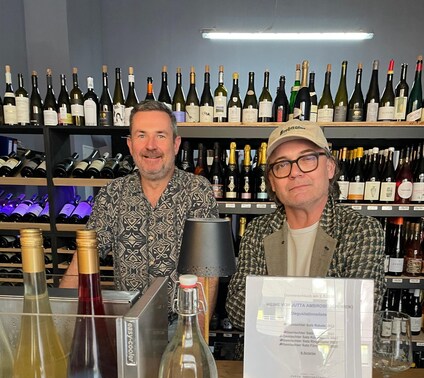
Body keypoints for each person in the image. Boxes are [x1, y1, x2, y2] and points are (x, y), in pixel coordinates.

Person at [61, 100, 219, 329]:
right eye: (142, 135)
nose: (151, 146)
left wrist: (194, 335)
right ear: (130, 144)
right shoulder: (112, 193)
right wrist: (60, 323)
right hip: (127, 323)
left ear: (175, 144)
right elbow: (85, 255)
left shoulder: (197, 190)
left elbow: (208, 271)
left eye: (160, 136)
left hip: (182, 324)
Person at [226, 119, 386, 330]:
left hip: (329, 353)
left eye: (308, 159)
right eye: (282, 164)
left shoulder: (361, 230)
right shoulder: (257, 230)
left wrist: (273, 302)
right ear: (272, 181)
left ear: (329, 167)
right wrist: (320, 303)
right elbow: (237, 309)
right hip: (267, 352)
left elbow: (358, 314)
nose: (295, 172)